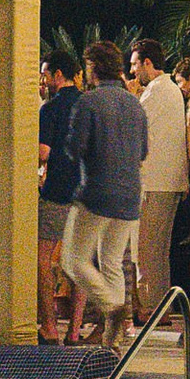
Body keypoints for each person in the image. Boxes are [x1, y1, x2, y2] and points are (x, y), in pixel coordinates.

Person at [59, 42, 146, 344]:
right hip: (130, 195)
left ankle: (112, 309)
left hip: (96, 193)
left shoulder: (89, 102)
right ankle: (113, 338)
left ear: (92, 67)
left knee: (72, 259)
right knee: (110, 261)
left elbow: (74, 148)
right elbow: (143, 151)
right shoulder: (135, 103)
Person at [131, 34, 188, 321]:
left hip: (156, 182)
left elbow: (135, 128)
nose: (132, 71)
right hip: (168, 182)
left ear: (148, 63)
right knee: (158, 249)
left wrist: (131, 98)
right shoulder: (170, 90)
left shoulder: (156, 91)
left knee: (148, 249)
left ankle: (153, 307)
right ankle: (159, 305)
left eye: (134, 64)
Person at [37, 56, 83, 343]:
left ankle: (50, 327)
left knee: (43, 259)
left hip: (56, 190)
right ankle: (75, 331)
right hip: (85, 192)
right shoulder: (89, 104)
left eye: (45, 75)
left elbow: (43, 152)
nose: (43, 81)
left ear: (57, 74)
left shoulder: (50, 108)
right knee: (80, 261)